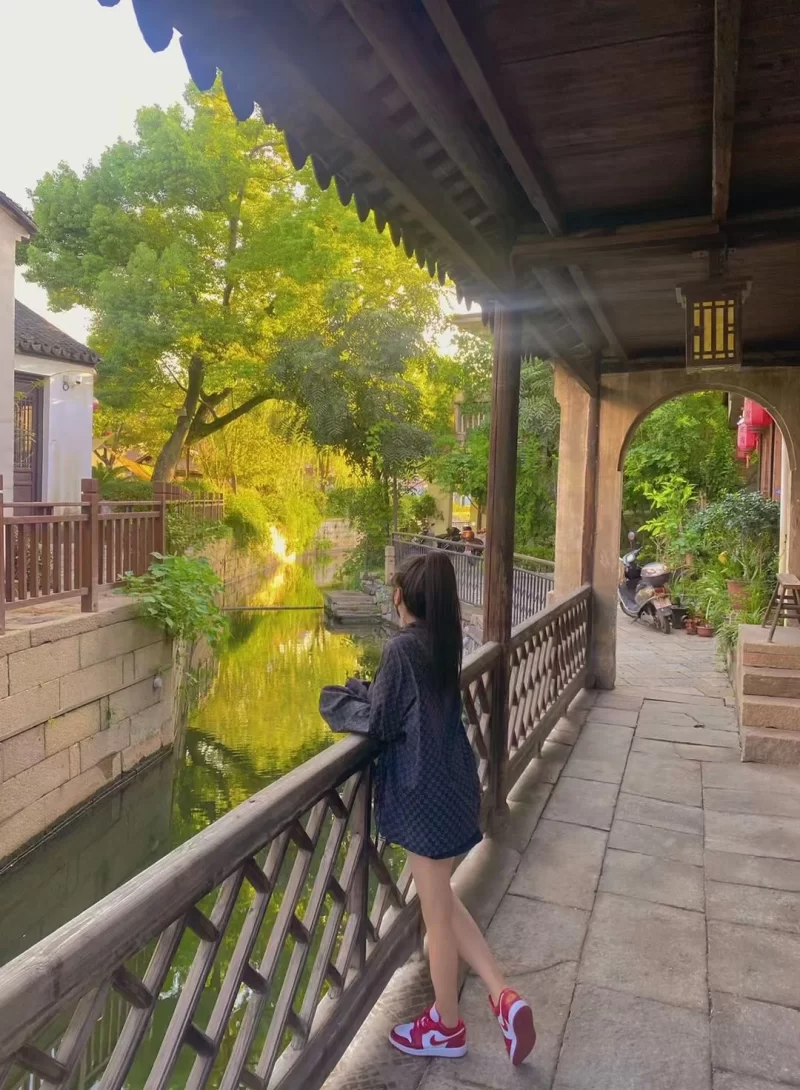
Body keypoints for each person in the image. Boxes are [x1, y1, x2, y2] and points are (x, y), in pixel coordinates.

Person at [368, 551, 536, 1066]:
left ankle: (446, 1026)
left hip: (424, 796)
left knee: (435, 918)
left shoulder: (401, 648)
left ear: (401, 596)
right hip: (455, 786)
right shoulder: (443, 641)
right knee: (441, 898)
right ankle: (503, 996)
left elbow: (380, 722)